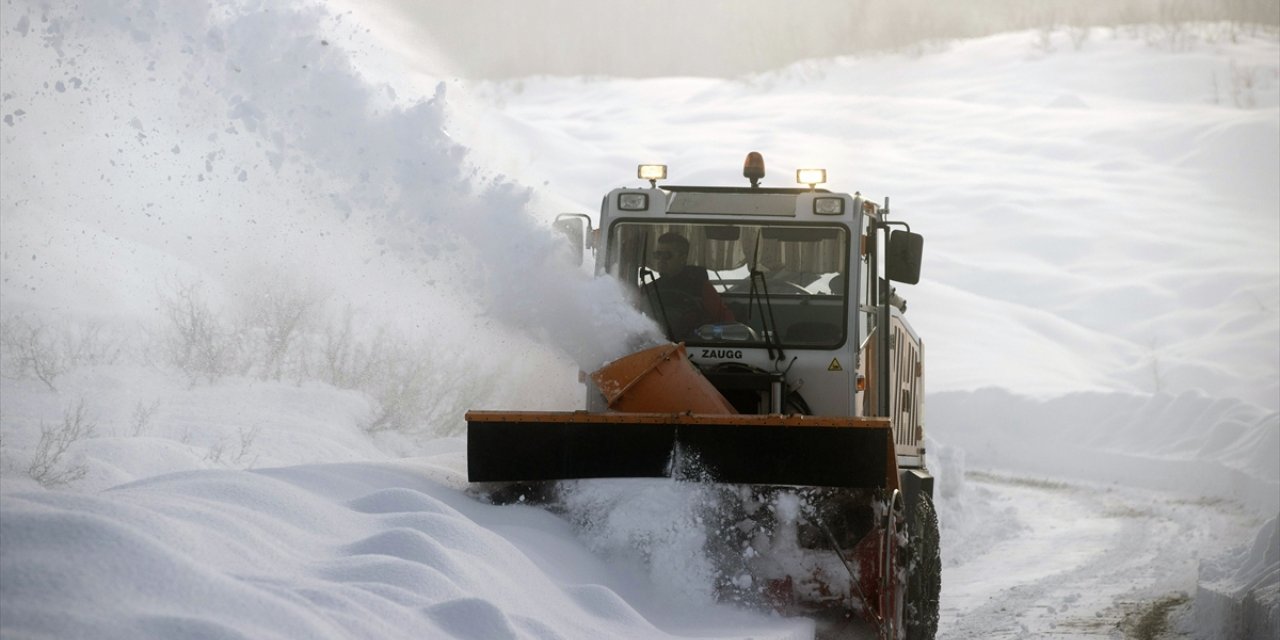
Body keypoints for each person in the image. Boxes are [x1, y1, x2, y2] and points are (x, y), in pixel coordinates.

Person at [645, 232, 734, 337]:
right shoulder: (648, 289)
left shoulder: (701, 287)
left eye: (667, 255)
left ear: (683, 258)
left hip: (694, 345)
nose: (661, 260)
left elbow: (726, 322)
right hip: (654, 346)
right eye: (658, 255)